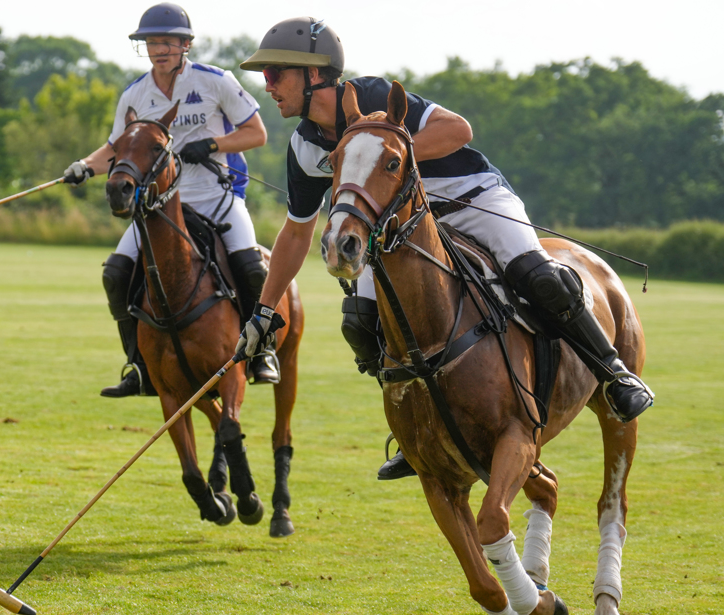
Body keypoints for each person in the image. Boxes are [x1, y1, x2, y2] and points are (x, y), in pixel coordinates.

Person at [232, 17, 654, 479]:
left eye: (276, 74)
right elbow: (296, 233)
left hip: (472, 199)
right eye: (265, 76)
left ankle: (614, 374)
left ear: (315, 74)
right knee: (361, 322)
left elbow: (458, 130)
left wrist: (389, 150)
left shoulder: (374, 97)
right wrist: (264, 311)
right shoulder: (303, 148)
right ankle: (418, 431)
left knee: (541, 278)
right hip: (405, 229)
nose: (267, 86)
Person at [63, 2, 277, 398]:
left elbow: (256, 132)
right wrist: (83, 166)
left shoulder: (215, 81)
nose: (159, 49)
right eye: (151, 42)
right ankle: (139, 365)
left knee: (252, 268)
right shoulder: (136, 94)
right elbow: (115, 148)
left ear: (186, 45)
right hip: (159, 208)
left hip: (217, 197)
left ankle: (262, 350)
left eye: (167, 42)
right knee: (115, 273)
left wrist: (212, 143)